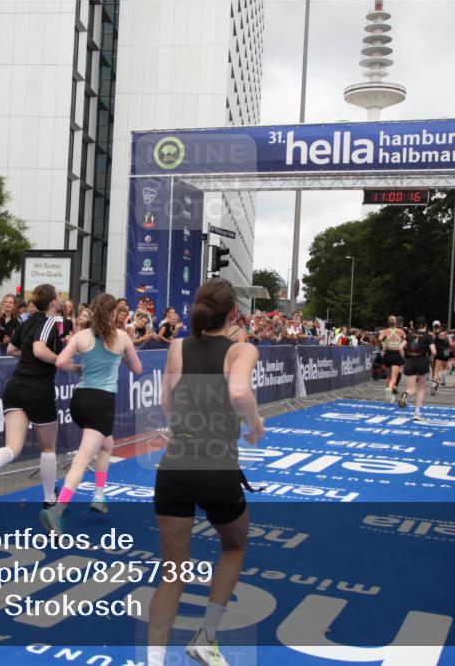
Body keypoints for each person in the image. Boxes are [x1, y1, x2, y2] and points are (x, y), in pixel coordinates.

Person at [147, 278, 263, 666]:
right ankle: (206, 636)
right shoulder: (241, 350)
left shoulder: (177, 346)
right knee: (234, 546)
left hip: (175, 464)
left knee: (172, 573)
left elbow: (166, 403)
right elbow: (238, 393)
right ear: (233, 314)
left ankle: (154, 660)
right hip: (217, 466)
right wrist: (255, 422)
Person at [0, 284, 77, 506]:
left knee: (13, 447)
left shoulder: (27, 322)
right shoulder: (48, 321)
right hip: (38, 388)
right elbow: (38, 349)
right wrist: (62, 362)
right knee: (47, 448)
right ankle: (49, 500)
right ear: (54, 302)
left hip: (15, 386)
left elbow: (11, 350)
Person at [39, 293, 142, 531]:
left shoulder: (82, 336)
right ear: (115, 313)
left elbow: (59, 362)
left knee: (107, 444)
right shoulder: (123, 338)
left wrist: (78, 368)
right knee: (83, 459)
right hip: (101, 402)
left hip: (80, 400)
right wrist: (122, 354)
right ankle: (58, 509)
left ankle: (99, 494)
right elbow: (137, 369)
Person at [398, 317, 436, 420]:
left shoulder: (410, 335)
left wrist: (405, 358)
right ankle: (416, 414)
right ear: (426, 325)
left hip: (410, 361)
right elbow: (434, 351)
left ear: (416, 325)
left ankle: (406, 394)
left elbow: (400, 348)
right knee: (421, 388)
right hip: (422, 361)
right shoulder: (428, 336)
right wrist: (430, 359)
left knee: (411, 388)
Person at [378, 315, 405, 402]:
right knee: (394, 377)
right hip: (396, 354)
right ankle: (389, 389)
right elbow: (406, 339)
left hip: (387, 355)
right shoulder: (400, 331)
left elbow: (379, 338)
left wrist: (385, 343)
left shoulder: (385, 331)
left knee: (389, 377)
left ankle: (388, 396)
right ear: (396, 322)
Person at [431, 322, 450, 394]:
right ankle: (442, 382)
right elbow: (451, 344)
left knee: (436, 370)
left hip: (437, 352)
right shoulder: (445, 335)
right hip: (446, 352)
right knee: (445, 368)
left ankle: (434, 384)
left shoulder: (433, 334)